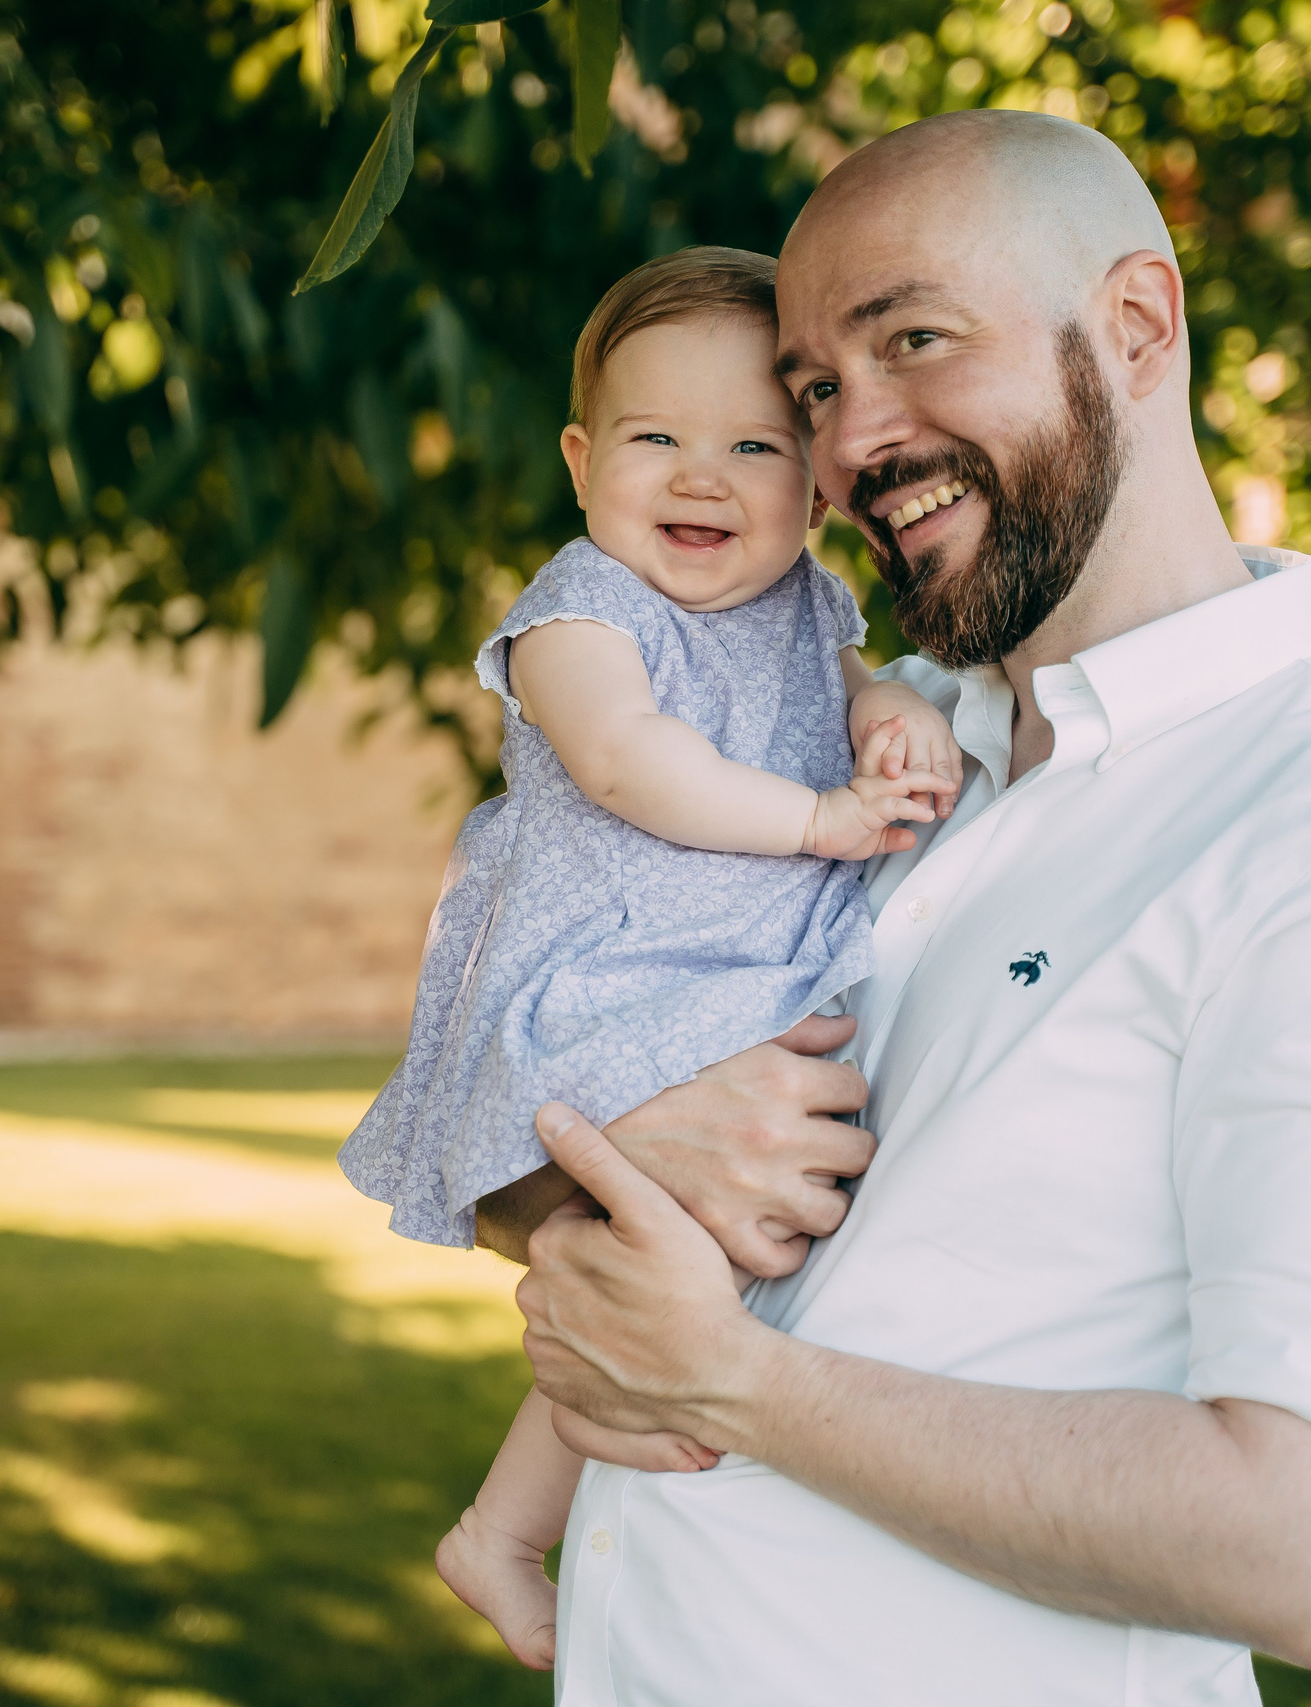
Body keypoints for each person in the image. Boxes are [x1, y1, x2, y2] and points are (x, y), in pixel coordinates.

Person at [499, 108, 1311, 1704]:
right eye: (813, 389)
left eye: (915, 340)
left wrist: (735, 1382)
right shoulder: (865, 743)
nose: (852, 441)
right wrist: (573, 1159)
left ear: (1136, 328)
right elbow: (526, 1061)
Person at [337, 247, 963, 1668]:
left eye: (753, 445)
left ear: (815, 483)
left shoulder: (810, 607)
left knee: (691, 1259)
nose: (702, 477)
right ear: (580, 461)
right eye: (655, 439)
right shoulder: (579, 617)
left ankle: (502, 1528)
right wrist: (821, 817)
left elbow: (848, 689)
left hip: (717, 996)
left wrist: (884, 727)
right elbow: (628, 762)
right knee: (676, 1243)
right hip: (604, 986)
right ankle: (507, 1528)